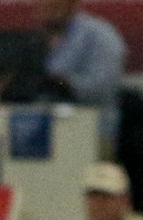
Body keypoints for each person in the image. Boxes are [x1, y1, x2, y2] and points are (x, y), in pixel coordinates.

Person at [37, 0, 128, 143]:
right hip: (43, 132)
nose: (44, 8)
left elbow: (102, 88)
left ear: (71, 3)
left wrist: (62, 83)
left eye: (51, 3)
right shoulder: (39, 38)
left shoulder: (100, 35)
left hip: (92, 133)